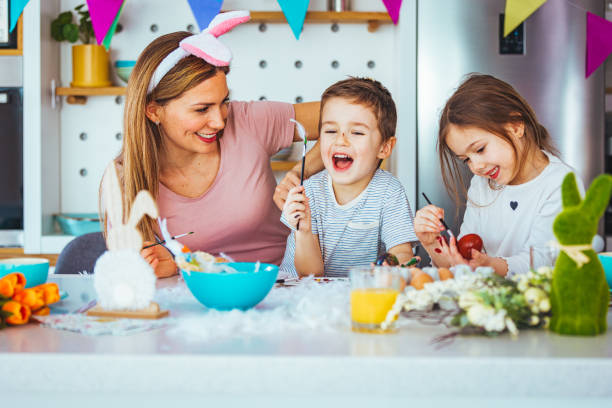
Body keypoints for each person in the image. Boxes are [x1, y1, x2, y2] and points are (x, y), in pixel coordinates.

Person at [102, 11, 322, 278]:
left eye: (224, 102)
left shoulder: (247, 121)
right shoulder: (123, 179)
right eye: (202, 109)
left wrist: (302, 170)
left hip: (281, 284)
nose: (219, 121)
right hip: (193, 298)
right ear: (153, 111)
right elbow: (136, 272)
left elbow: (350, 116)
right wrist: (157, 264)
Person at [414, 74, 584, 277]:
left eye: (480, 149)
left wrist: (488, 265)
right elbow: (461, 267)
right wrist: (432, 243)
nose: (475, 166)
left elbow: (543, 261)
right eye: (465, 160)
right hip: (489, 304)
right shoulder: (481, 184)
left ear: (515, 126)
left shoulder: (561, 184)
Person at [279, 77, 417, 278]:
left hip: (359, 294)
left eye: (357, 132)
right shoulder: (308, 193)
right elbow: (310, 274)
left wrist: (400, 266)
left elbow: (401, 252)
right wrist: (304, 230)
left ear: (384, 147)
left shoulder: (389, 191)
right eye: (331, 130)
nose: (340, 140)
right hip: (300, 290)